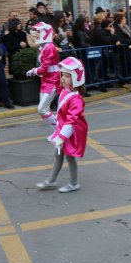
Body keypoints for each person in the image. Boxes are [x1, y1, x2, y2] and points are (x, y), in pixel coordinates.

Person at [36, 57, 88, 193]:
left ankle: (74, 183)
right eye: (62, 75)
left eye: (67, 76)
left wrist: (61, 137)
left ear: (76, 78)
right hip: (63, 129)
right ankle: (52, 181)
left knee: (69, 157)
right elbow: (54, 85)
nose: (63, 78)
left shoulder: (76, 99)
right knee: (58, 155)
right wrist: (38, 71)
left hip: (71, 132)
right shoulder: (65, 89)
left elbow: (72, 121)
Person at [26, 22, 61, 130]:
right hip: (47, 79)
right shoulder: (44, 46)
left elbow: (44, 68)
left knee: (42, 109)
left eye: (39, 32)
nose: (36, 34)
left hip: (53, 80)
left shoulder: (48, 47)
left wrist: (34, 71)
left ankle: (60, 131)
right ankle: (58, 131)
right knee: (44, 109)